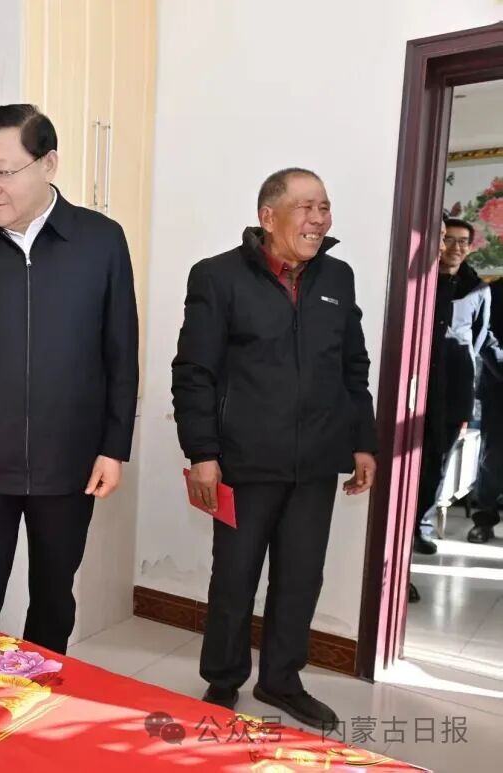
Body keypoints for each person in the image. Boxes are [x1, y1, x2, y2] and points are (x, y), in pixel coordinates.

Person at [0, 104, 138, 655]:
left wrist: (114, 447)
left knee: (54, 595)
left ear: (49, 164)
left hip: (69, 459)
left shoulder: (100, 240)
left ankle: (43, 692)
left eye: (3, 171)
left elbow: (121, 352)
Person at [172, 168, 377, 728]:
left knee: (301, 577)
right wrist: (202, 454)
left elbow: (353, 367)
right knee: (234, 577)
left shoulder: (338, 277)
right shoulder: (217, 277)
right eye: (306, 207)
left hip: (317, 462)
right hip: (242, 462)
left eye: (324, 207)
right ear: (268, 216)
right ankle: (223, 679)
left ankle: (282, 680)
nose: (319, 219)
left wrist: (362, 442)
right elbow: (193, 372)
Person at [414, 218, 503, 553]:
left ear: (470, 246)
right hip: (418, 385)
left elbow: (479, 340)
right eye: (448, 239)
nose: (455, 247)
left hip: (455, 388)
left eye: (463, 241)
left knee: (438, 462)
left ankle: (420, 526)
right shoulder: (421, 282)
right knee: (409, 458)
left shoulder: (478, 289)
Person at [469, 272, 503, 543]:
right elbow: (485, 335)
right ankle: (484, 519)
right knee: (494, 459)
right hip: (500, 386)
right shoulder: (495, 291)